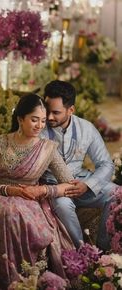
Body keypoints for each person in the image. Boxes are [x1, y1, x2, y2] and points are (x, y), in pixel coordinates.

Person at [0, 93, 75, 290]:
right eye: (34, 120)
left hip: (29, 201)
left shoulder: (48, 148)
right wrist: (9, 190)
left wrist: (43, 190)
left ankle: (19, 281)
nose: (39, 125)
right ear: (20, 118)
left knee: (12, 214)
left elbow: (70, 184)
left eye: (43, 121)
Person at [40, 80, 117, 251]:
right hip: (54, 186)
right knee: (63, 205)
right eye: (47, 110)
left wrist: (87, 185)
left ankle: (103, 249)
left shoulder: (86, 128)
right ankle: (83, 252)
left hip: (82, 182)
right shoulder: (38, 127)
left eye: (56, 112)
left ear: (71, 110)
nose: (49, 117)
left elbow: (105, 164)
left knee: (116, 194)